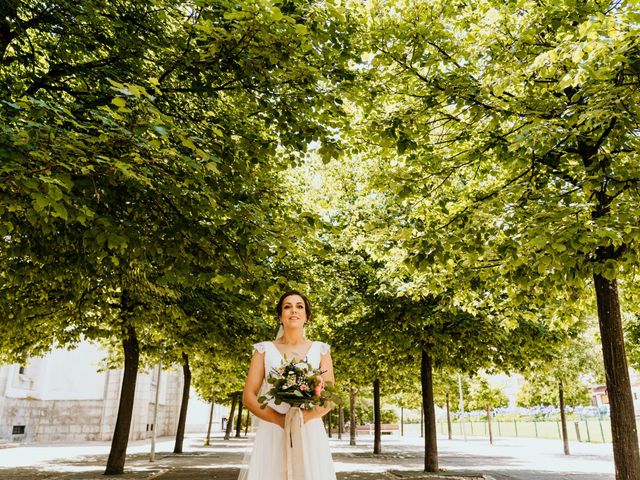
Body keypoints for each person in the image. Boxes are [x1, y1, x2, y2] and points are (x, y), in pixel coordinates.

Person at [238, 290, 337, 480]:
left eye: (299, 307)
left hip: (309, 429)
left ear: (307, 316)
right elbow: (249, 396)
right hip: (273, 428)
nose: (294, 311)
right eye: (287, 306)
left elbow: (328, 397)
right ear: (279, 316)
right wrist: (279, 420)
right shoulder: (263, 350)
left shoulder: (321, 350)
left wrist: (304, 418)